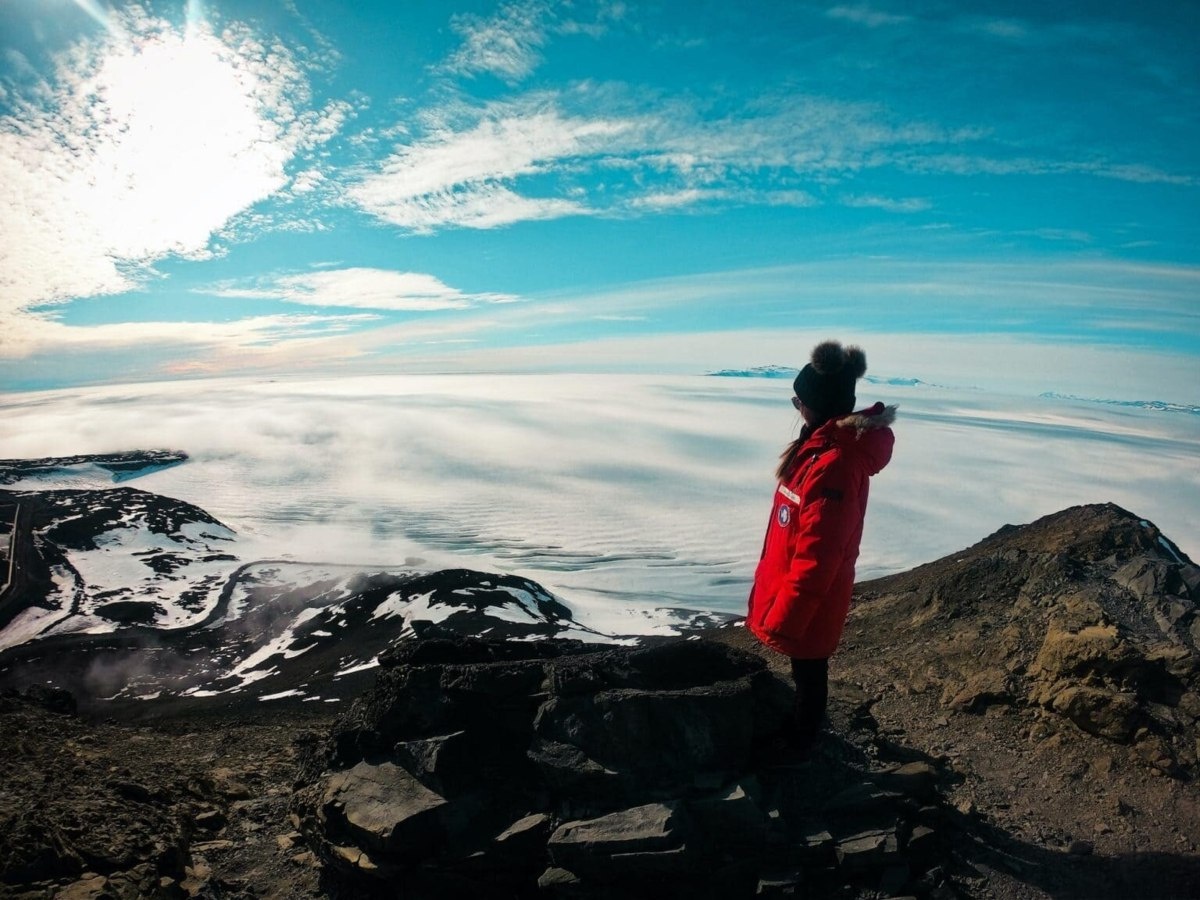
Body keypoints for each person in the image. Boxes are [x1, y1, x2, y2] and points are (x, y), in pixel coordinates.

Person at [746, 340, 895, 752]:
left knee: (810, 670)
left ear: (816, 406)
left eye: (799, 400)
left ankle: (801, 746)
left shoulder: (833, 464)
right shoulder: (819, 450)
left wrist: (788, 615)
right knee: (807, 668)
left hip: (813, 598)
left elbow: (820, 554)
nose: (796, 406)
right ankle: (802, 734)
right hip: (806, 594)